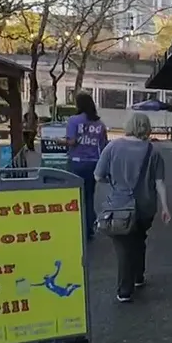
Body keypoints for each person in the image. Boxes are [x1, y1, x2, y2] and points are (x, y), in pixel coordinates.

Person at [95, 112, 170, 302]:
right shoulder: (153, 151)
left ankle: (125, 290)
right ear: (147, 128)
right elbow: (159, 182)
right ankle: (138, 275)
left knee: (123, 246)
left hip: (119, 206)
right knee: (138, 238)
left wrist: (114, 182)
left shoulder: (112, 147)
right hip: (145, 206)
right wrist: (165, 207)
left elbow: (98, 175)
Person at [66, 93, 109, 240]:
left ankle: (80, 227)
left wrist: (59, 141)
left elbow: (72, 142)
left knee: (77, 196)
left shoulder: (73, 120)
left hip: (77, 162)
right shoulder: (100, 124)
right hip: (94, 163)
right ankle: (89, 226)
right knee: (89, 196)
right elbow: (104, 145)